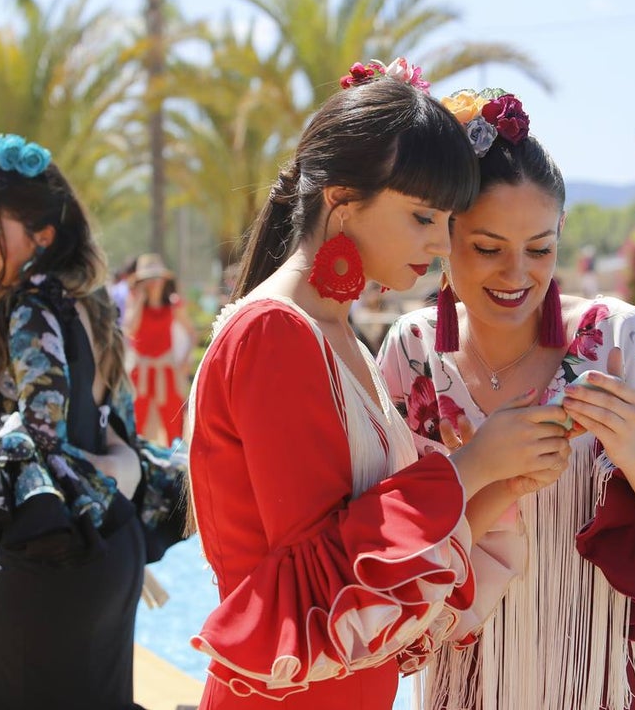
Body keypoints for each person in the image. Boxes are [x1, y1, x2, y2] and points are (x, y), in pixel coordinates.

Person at [377, 86, 635, 710]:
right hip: (473, 681)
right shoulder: (411, 353)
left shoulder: (618, 339)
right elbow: (381, 544)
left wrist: (634, 450)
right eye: (488, 248)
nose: (518, 276)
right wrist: (484, 468)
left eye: (540, 248)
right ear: (443, 238)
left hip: (613, 676)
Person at [185, 60, 573, 709]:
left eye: (448, 222)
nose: (443, 246)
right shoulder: (277, 333)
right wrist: (472, 465)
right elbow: (319, 575)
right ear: (340, 198)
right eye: (423, 217)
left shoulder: (333, 333)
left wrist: (501, 475)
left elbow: (373, 564)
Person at [0, 133, 144, 710]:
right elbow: (115, 420)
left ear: (42, 237)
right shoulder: (82, 304)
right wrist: (119, 469)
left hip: (57, 552)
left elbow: (41, 430)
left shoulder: (29, 305)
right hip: (112, 544)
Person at [123, 253, 195, 445]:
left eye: (156, 277)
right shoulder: (135, 302)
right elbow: (130, 329)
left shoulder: (173, 304)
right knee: (137, 422)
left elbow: (191, 333)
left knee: (173, 421)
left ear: (164, 279)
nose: (153, 282)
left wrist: (185, 361)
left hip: (167, 369)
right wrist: (139, 299)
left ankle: (177, 467)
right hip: (142, 370)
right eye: (148, 278)